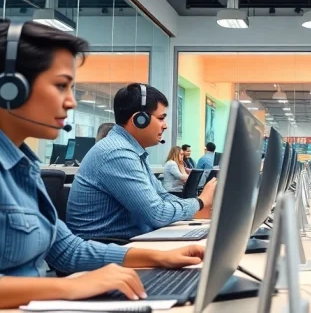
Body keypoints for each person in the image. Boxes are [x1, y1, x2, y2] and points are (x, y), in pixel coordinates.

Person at [0, 19, 207, 311]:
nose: (70, 102)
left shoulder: (19, 162)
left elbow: (67, 250)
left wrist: (159, 257)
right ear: (9, 87)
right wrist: (66, 287)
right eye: (60, 86)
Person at [67, 83, 216, 240]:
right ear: (139, 119)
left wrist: (194, 207)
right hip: (110, 248)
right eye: (160, 118)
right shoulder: (117, 153)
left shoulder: (133, 151)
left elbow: (162, 196)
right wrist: (199, 202)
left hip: (127, 242)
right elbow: (157, 213)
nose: (165, 125)